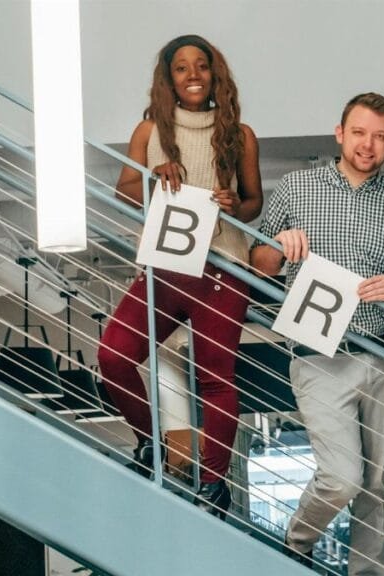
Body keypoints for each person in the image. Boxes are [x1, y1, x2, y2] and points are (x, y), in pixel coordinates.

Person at [250, 92, 384, 575]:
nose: (369, 144)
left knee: (378, 484)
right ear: (340, 133)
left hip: (381, 353)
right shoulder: (296, 187)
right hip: (317, 353)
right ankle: (296, 542)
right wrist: (278, 246)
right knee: (342, 477)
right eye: (361, 132)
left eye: (380, 137)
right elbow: (258, 265)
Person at [97, 34, 261, 519]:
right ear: (169, 79)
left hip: (223, 268)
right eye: (182, 68)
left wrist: (235, 205)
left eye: (202, 66)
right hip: (165, 264)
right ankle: (151, 442)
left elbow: (253, 203)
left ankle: (213, 485)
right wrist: (151, 175)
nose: (193, 75)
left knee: (215, 379)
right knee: (114, 356)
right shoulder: (149, 131)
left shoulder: (241, 133)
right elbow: (126, 194)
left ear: (215, 74)